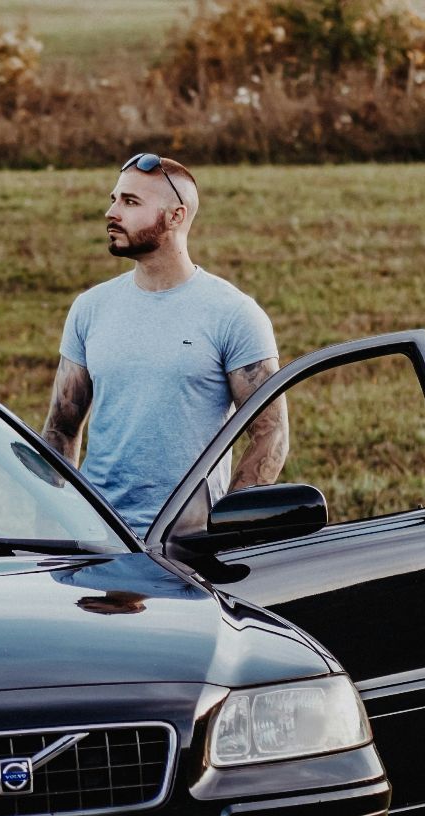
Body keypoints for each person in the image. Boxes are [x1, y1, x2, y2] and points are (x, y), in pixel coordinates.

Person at [42, 153, 289, 536]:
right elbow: (61, 428)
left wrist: (227, 529)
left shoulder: (234, 314)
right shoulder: (90, 308)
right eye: (114, 199)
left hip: (187, 546)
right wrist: (64, 519)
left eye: (130, 202)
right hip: (101, 539)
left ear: (176, 216)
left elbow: (270, 433)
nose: (112, 212)